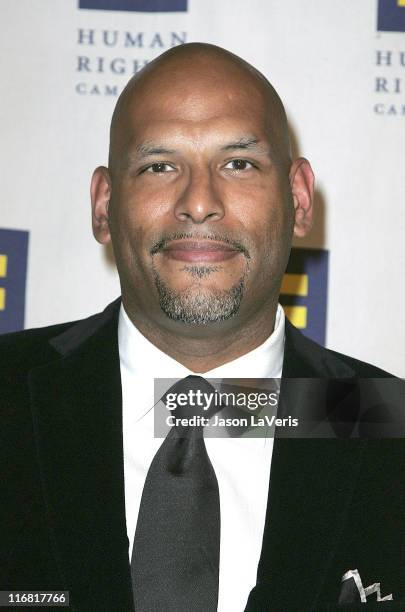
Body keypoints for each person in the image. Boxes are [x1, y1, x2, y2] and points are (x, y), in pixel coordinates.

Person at [1, 43, 404, 611]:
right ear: (103, 204)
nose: (198, 202)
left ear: (298, 198)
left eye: (238, 163)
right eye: (159, 165)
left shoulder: (386, 426)